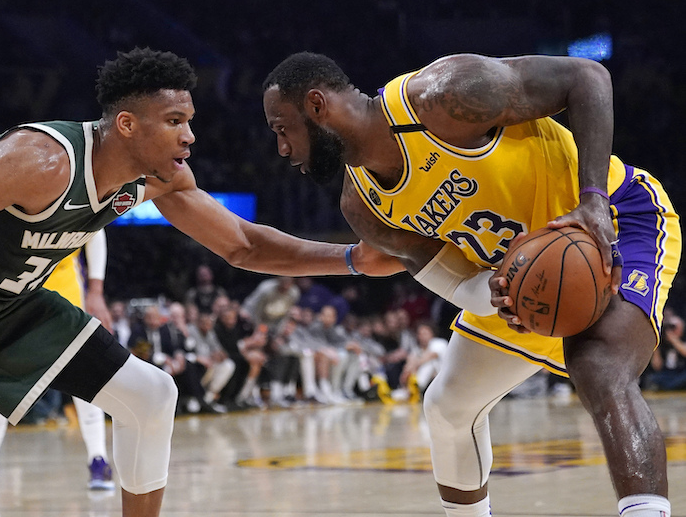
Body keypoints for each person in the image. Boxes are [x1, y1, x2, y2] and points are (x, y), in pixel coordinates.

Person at [0, 48, 398, 517]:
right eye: (175, 121)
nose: (190, 136)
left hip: (13, 305)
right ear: (127, 124)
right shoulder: (43, 161)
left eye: (190, 120)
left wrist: (351, 259)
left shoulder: (155, 179)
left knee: (153, 396)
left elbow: (242, 244)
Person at [262, 51, 681, 517]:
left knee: (598, 366)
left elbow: (587, 77)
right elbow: (447, 275)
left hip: (614, 223)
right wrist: (494, 292)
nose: (282, 149)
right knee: (448, 407)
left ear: (316, 105)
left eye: (282, 129)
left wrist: (594, 199)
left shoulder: (440, 98)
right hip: (527, 280)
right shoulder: (362, 208)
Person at [0, 229, 117, 492]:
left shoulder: (77, 205)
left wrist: (96, 289)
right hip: (16, 294)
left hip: (66, 292)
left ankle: (99, 459)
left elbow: (96, 232)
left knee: (84, 378)